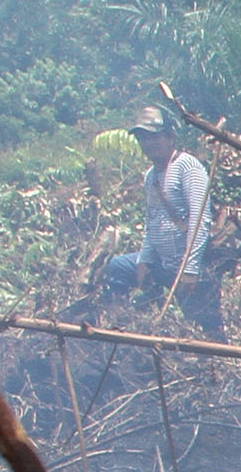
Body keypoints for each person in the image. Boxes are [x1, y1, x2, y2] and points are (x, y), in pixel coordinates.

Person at [94, 107, 223, 337]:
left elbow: (200, 219)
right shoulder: (151, 176)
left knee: (209, 328)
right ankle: (122, 332)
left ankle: (219, 364)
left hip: (191, 267)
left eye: (154, 137)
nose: (149, 144)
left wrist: (190, 268)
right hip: (163, 263)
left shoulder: (188, 167)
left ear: (170, 136)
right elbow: (153, 221)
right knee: (118, 267)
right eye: (143, 138)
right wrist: (144, 260)